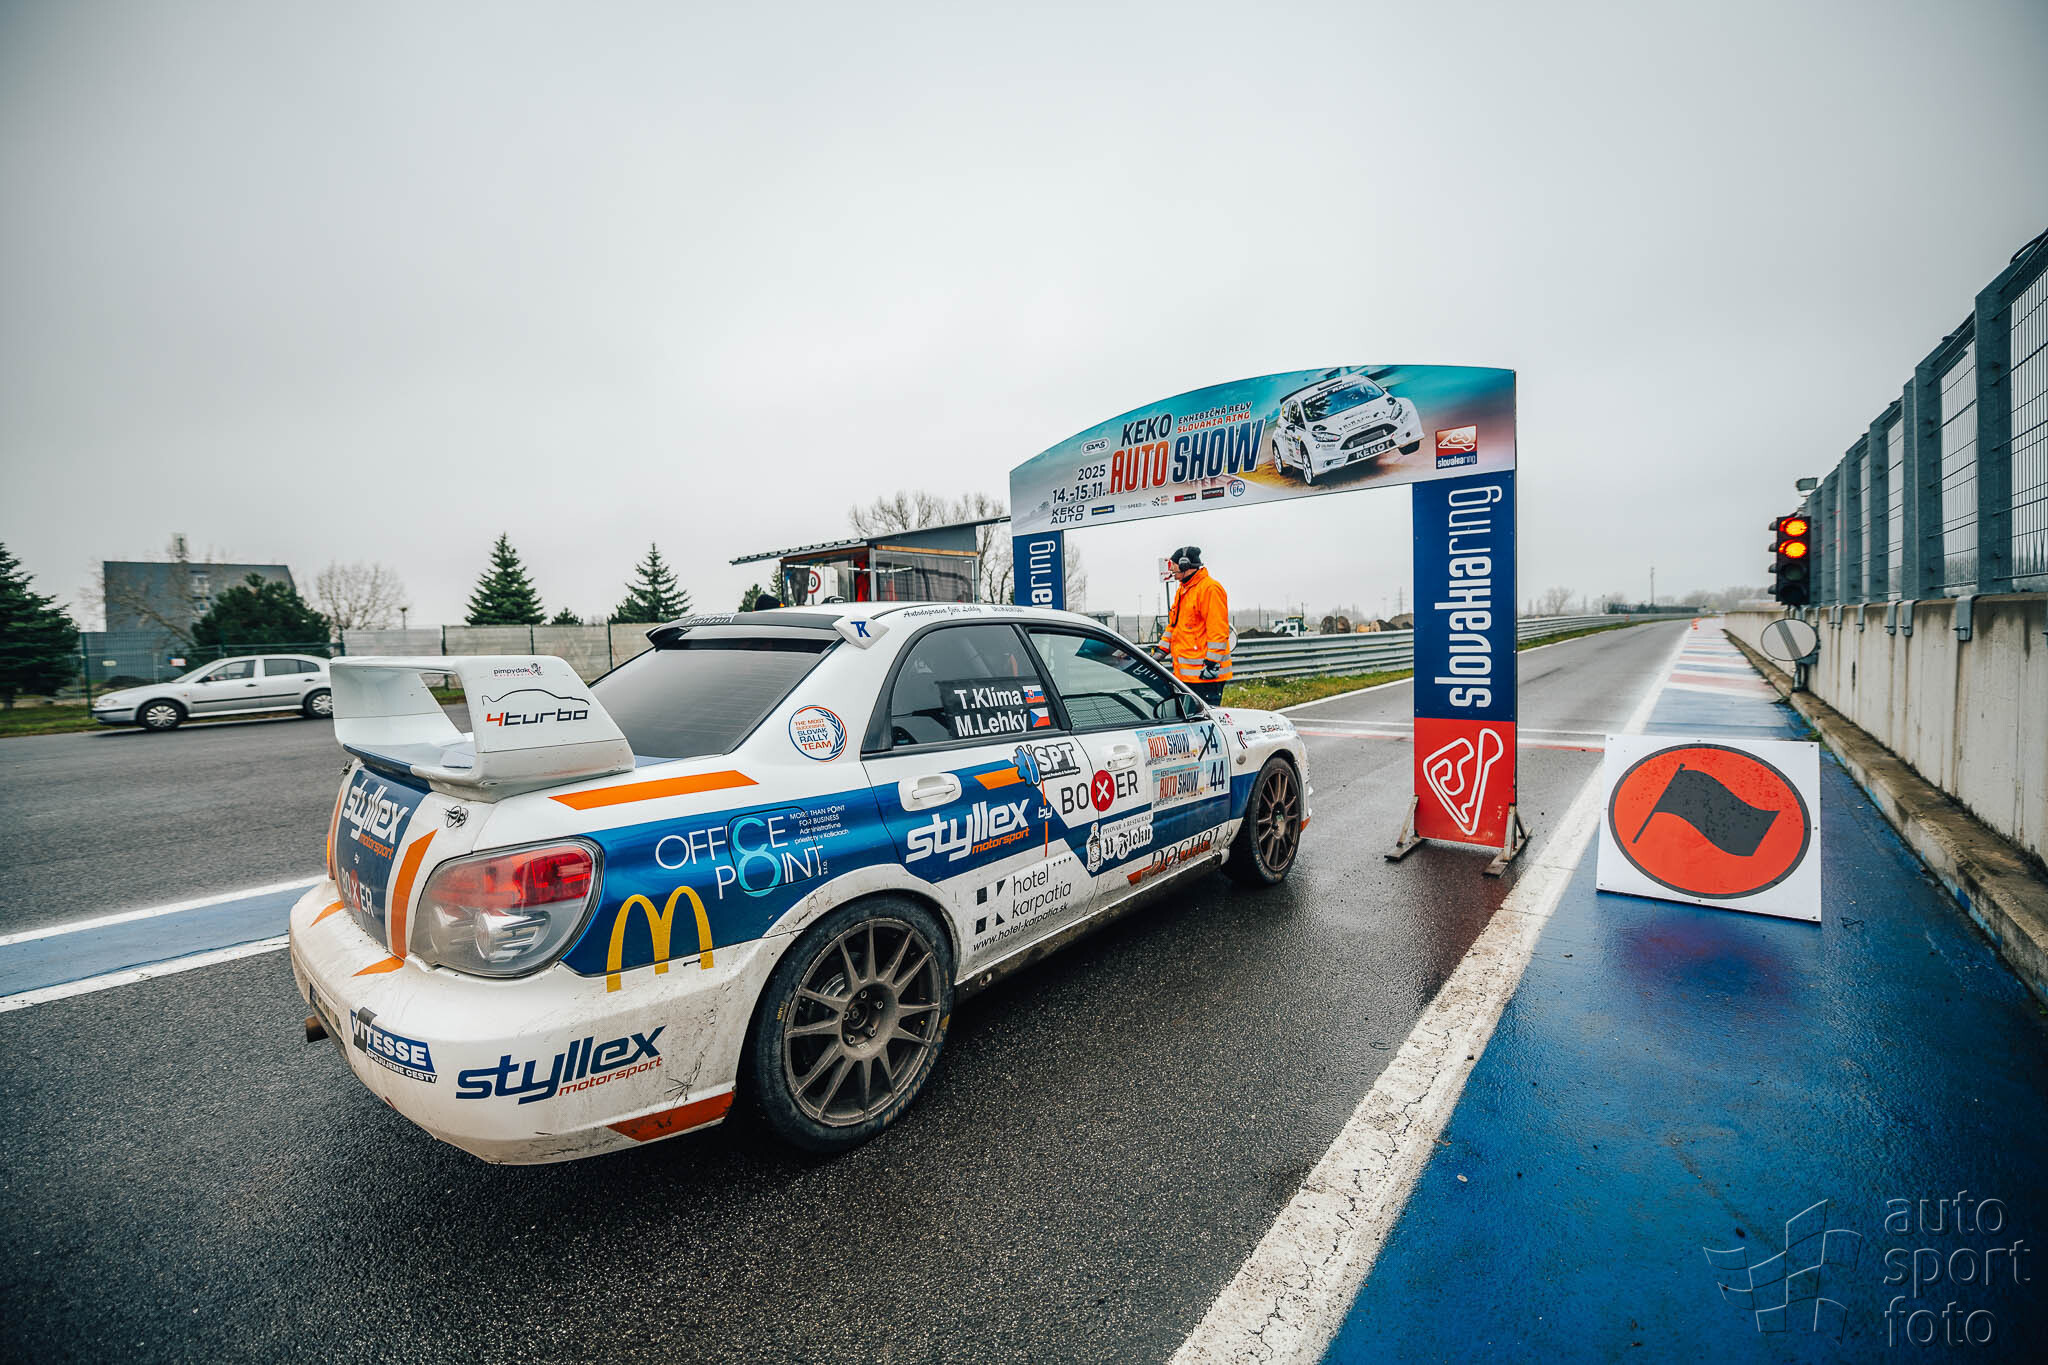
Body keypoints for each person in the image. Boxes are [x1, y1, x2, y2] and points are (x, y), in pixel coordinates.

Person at [1159, 545, 1232, 705]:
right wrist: (1161, 650)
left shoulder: (1210, 589)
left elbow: (1218, 631)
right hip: (1185, 676)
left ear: (1185, 565)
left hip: (1206, 677)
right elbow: (1174, 626)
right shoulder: (1183, 590)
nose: (1172, 571)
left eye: (1174, 566)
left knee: (1204, 719)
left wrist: (1211, 664)